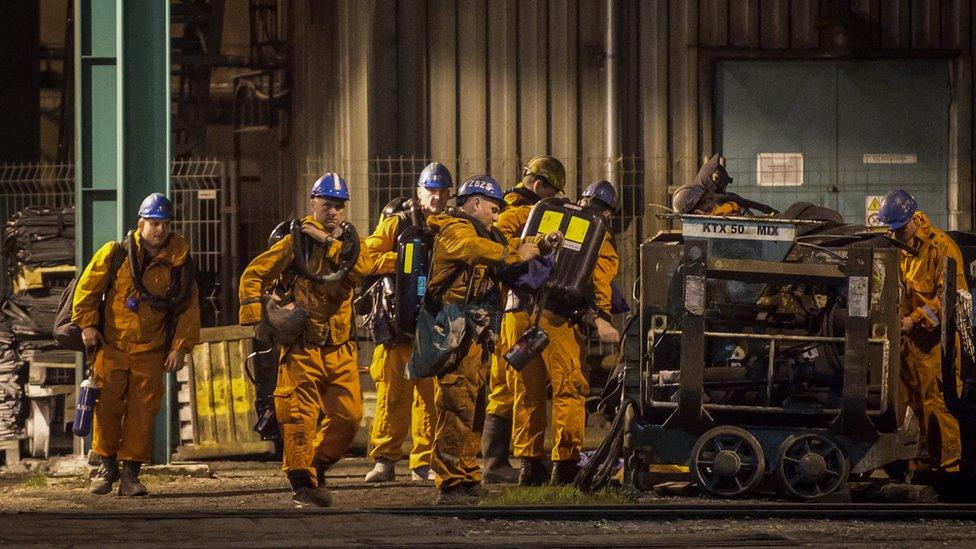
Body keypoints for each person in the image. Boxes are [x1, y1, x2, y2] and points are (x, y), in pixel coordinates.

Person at [238, 172, 373, 508]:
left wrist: (328, 244)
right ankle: (302, 482)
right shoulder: (293, 242)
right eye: (327, 204)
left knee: (349, 418)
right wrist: (255, 320)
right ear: (313, 203)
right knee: (298, 417)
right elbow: (254, 274)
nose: (334, 212)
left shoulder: (352, 244)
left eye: (339, 206)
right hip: (302, 348)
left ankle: (316, 464)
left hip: (340, 348)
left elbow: (362, 270)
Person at [423, 175, 558, 504]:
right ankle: (449, 483)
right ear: (475, 203)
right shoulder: (454, 228)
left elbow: (509, 248)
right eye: (493, 209)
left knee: (473, 406)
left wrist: (540, 244)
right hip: (452, 331)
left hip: (475, 334)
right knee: (455, 406)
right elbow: (477, 251)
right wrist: (517, 255)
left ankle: (467, 475)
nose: (496, 216)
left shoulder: (487, 234)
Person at [75, 193, 201, 497]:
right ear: (141, 223)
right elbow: (88, 288)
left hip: (151, 350)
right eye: (155, 223)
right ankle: (106, 470)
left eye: (165, 224)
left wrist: (180, 347)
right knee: (105, 408)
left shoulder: (179, 264)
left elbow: (188, 308)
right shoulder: (115, 254)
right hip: (112, 346)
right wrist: (88, 323)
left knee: (142, 413)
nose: (160, 230)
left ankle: (130, 474)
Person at [507, 179, 621, 487]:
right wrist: (602, 319)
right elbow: (599, 284)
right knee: (569, 389)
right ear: (608, 214)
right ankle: (564, 465)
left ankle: (528, 467)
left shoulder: (545, 213)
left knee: (527, 392)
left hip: (518, 314)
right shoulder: (599, 235)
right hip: (556, 319)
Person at [361, 162, 452, 483]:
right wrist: (403, 261)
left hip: (434, 325)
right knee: (393, 395)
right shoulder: (397, 224)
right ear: (419, 192)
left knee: (430, 398)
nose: (437, 197)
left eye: (443, 191)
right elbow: (366, 259)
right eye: (431, 190)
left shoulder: (452, 226)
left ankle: (422, 463)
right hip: (397, 326)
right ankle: (385, 460)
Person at [483, 155, 566, 484]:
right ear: (537, 184)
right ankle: (503, 463)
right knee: (519, 387)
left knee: (503, 387)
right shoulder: (521, 215)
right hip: (521, 311)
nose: (554, 198)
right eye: (552, 190)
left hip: (507, 312)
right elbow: (500, 256)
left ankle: (494, 464)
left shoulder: (505, 211)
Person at [879, 189, 966, 473]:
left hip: (934, 344)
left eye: (899, 229)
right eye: (892, 230)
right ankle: (917, 463)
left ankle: (948, 468)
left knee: (936, 403)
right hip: (908, 344)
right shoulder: (902, 248)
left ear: (914, 219)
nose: (896, 235)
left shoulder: (942, 247)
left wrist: (915, 320)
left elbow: (951, 298)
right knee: (909, 403)